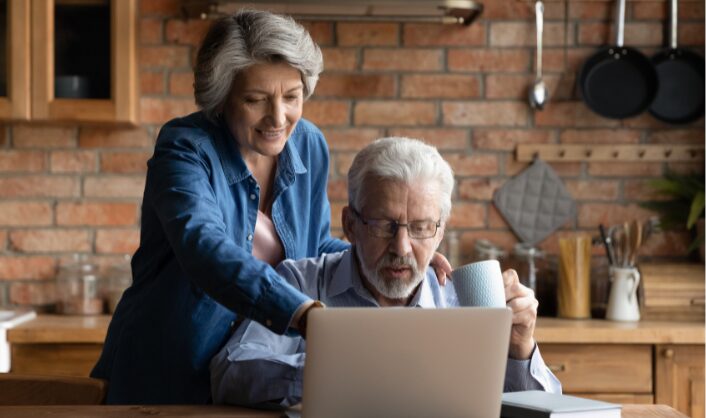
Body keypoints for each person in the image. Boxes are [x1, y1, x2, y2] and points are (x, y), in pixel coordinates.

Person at [91, 10, 449, 404]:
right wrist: (300, 313)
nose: (278, 118)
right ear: (222, 97)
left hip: (250, 377)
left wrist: (391, 248)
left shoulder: (308, 144)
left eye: (292, 97)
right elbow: (203, 248)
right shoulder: (185, 148)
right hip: (168, 373)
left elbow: (313, 246)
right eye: (255, 99)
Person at [210, 137, 562, 407]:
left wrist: (520, 349)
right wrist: (330, 375)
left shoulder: (465, 298)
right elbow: (229, 373)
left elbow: (546, 409)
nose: (402, 247)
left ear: (440, 231)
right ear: (351, 224)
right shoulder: (299, 282)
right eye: (384, 225)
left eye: (422, 227)